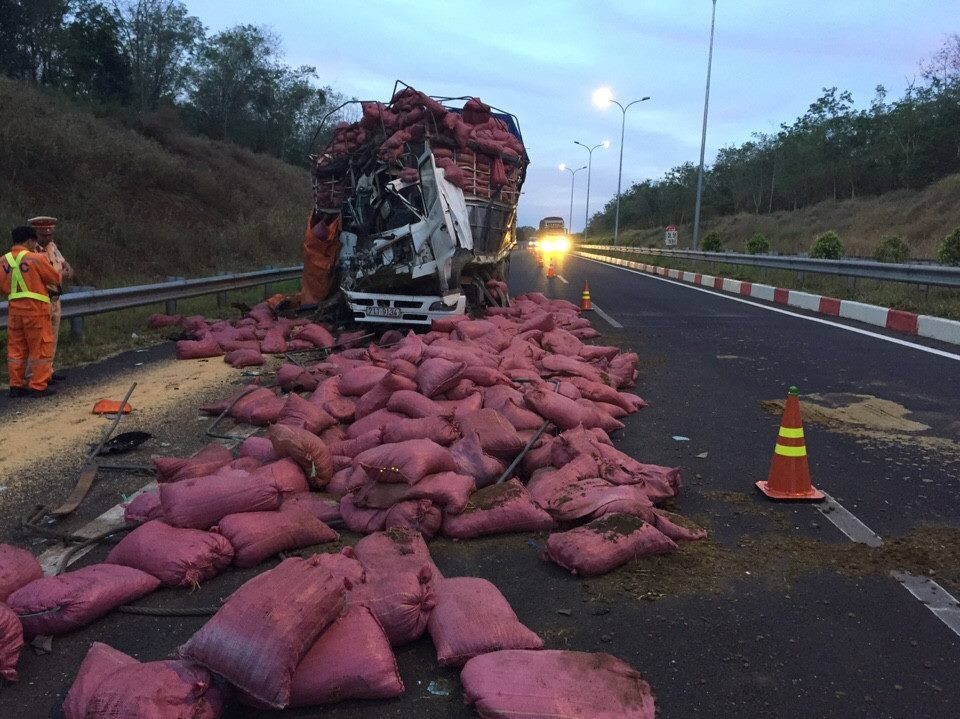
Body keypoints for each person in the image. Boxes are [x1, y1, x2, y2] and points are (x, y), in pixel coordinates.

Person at [1, 225, 61, 397]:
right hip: (36, 310)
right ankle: (38, 385)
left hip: (14, 312)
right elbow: (54, 278)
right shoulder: (36, 259)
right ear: (29, 240)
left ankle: (16, 385)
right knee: (40, 347)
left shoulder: (3, 261)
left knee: (16, 349)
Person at [29, 216, 73, 381]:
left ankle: (48, 371)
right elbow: (45, 276)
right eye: (44, 236)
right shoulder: (32, 251)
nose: (48, 238)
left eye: (50, 235)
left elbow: (66, 266)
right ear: (36, 234)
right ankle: (37, 375)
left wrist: (65, 270)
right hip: (42, 299)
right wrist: (60, 274)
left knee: (52, 338)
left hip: (55, 299)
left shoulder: (53, 247)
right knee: (40, 340)